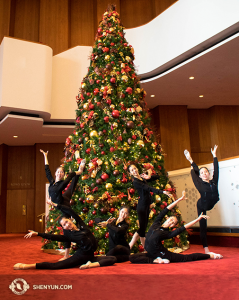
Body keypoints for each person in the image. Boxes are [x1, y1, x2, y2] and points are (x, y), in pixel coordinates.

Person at [129, 191, 223, 264]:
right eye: (171, 219)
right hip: (150, 254)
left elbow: (183, 227)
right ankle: (155, 261)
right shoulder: (156, 223)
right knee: (132, 258)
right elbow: (166, 209)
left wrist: (197, 219)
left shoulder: (167, 233)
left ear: (173, 226)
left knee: (185, 258)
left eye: (173, 222)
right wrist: (179, 200)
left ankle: (209, 256)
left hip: (162, 253)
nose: (171, 222)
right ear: (167, 219)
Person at [13, 204, 116, 270]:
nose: (67, 225)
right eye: (64, 225)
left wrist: (56, 205)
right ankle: (27, 266)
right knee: (56, 266)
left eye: (67, 222)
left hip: (90, 257)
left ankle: (90, 265)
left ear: (70, 220)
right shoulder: (69, 235)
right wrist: (38, 233)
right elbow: (53, 237)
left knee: (112, 259)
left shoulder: (82, 225)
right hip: (81, 256)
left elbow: (72, 212)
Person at [184, 145, 220, 254]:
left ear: (209, 174)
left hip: (212, 202)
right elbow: (194, 173)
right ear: (200, 176)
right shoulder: (199, 184)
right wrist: (191, 161)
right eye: (202, 173)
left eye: (206, 172)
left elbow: (216, 169)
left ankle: (206, 247)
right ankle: (206, 249)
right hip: (202, 205)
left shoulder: (214, 181)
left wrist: (214, 156)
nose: (204, 174)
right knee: (203, 225)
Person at [127, 164, 171, 249]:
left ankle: (144, 248)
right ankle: (131, 245)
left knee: (143, 228)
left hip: (146, 205)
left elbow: (157, 177)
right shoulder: (136, 182)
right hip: (142, 206)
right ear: (130, 173)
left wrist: (149, 176)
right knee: (142, 228)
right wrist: (163, 192)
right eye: (132, 170)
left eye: (135, 168)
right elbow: (148, 188)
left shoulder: (142, 178)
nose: (134, 170)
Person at [40, 149, 85, 215]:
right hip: (61, 204)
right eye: (58, 172)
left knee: (71, 187)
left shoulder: (62, 183)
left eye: (61, 172)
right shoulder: (52, 182)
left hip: (62, 202)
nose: (59, 173)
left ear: (63, 175)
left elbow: (71, 175)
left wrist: (79, 171)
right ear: (55, 173)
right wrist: (45, 156)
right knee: (67, 216)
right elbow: (47, 170)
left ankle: (80, 170)